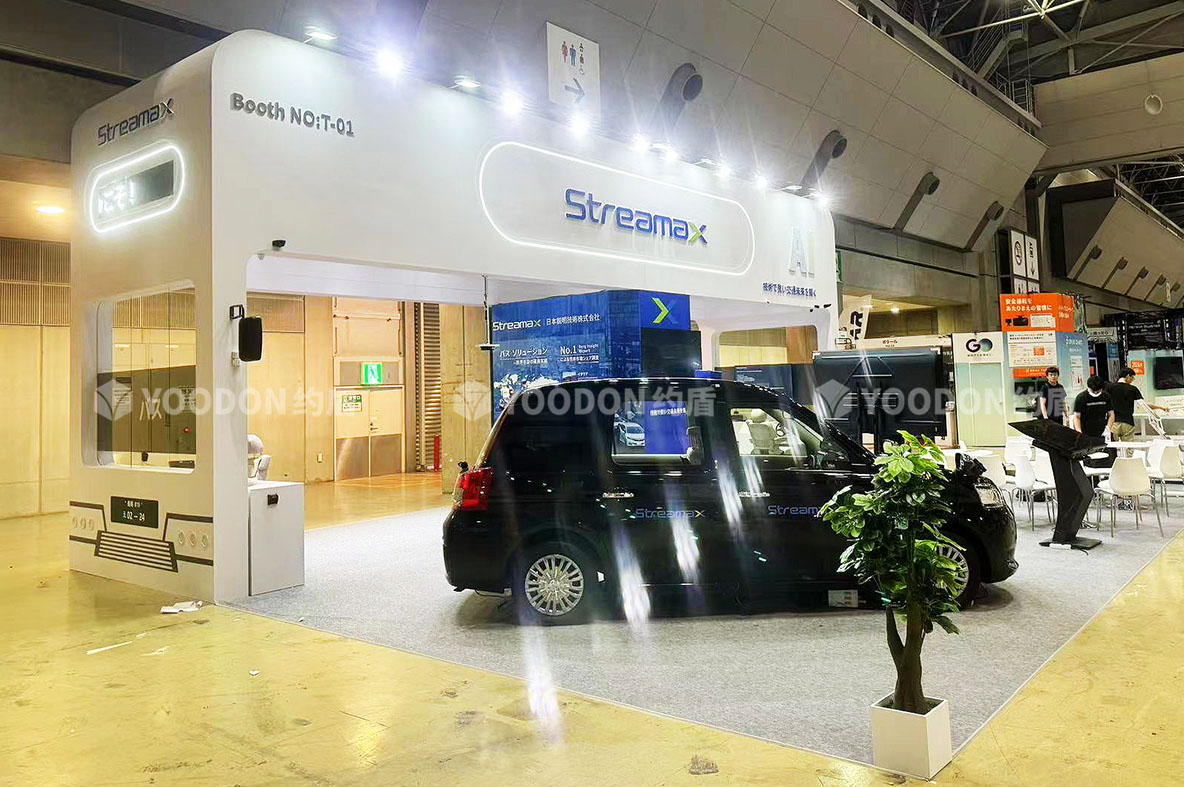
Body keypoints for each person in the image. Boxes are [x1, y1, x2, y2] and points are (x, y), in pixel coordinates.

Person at [1107, 366, 1169, 441]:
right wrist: (1161, 408)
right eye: (1132, 377)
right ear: (1128, 376)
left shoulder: (1109, 388)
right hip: (1128, 422)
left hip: (1113, 423)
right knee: (1129, 446)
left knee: (1113, 445)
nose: (1132, 380)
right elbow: (1145, 405)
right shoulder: (1133, 389)